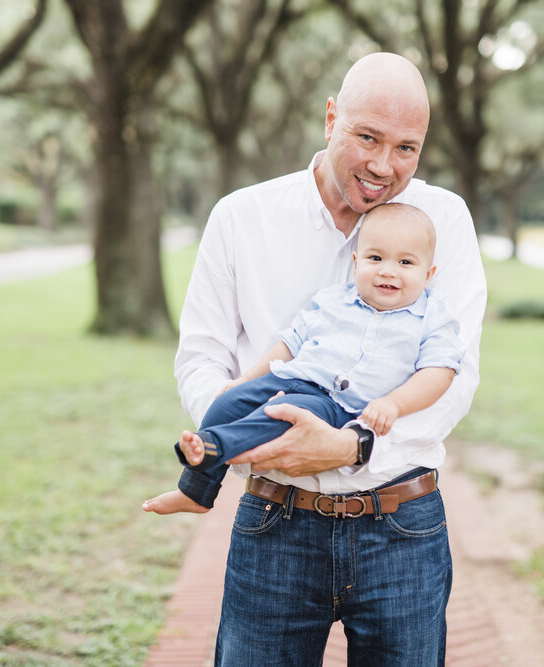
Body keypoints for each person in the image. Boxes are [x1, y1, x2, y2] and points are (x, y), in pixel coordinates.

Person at [145, 52, 486, 665]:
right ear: (331, 118)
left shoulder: (445, 221)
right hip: (275, 522)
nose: (384, 166)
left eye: (407, 148)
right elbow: (202, 356)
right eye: (367, 137)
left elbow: (454, 379)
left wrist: (354, 444)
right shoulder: (241, 218)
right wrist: (249, 438)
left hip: (400, 525)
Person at [143, 203, 462, 513]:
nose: (387, 271)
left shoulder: (432, 315)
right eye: (375, 257)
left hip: (335, 404)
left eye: (405, 263)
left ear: (428, 273)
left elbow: (439, 372)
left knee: (281, 415)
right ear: (356, 261)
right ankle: (195, 491)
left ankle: (214, 444)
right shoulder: (333, 300)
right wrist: (246, 379)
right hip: (291, 377)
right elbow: (289, 345)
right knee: (227, 402)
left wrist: (394, 404)